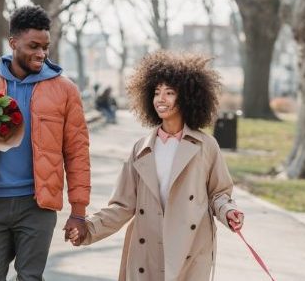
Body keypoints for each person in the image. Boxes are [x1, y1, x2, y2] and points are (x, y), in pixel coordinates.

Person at [68, 51, 244, 281]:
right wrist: (88, 228)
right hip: (147, 249)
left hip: (190, 250)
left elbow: (218, 193)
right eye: (156, 92)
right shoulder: (141, 148)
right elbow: (122, 205)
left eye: (169, 93)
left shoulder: (206, 146)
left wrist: (228, 211)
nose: (161, 99)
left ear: (188, 97)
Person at [0, 5, 91, 280]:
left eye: (45, 47)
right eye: (33, 46)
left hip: (38, 206)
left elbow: (77, 153)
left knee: (29, 278)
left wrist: (79, 212)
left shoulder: (65, 90)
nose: (41, 53)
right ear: (13, 43)